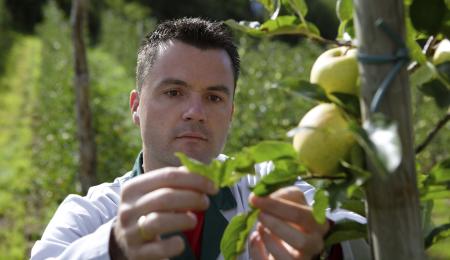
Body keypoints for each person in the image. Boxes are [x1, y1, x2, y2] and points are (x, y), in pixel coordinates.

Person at [31, 17, 369, 260]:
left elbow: (366, 235)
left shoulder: (266, 187)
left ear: (231, 113)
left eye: (214, 97)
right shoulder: (91, 215)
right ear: (136, 107)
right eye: (174, 92)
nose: (195, 111)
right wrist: (113, 247)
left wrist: (325, 240)